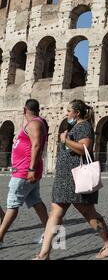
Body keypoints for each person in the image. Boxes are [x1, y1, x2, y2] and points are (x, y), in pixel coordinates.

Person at [34, 100, 108, 260]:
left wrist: (66, 140)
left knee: (88, 212)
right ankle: (44, 254)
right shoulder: (75, 126)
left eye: (69, 110)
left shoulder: (85, 126)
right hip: (64, 178)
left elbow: (85, 149)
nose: (66, 113)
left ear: (77, 113)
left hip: (77, 178)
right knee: (55, 213)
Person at [0, 99, 49, 249]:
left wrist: (31, 169)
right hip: (25, 170)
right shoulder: (35, 122)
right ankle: (50, 233)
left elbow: (36, 145)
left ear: (24, 109)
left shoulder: (34, 123)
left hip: (24, 171)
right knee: (36, 201)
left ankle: (0, 237)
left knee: (12, 204)